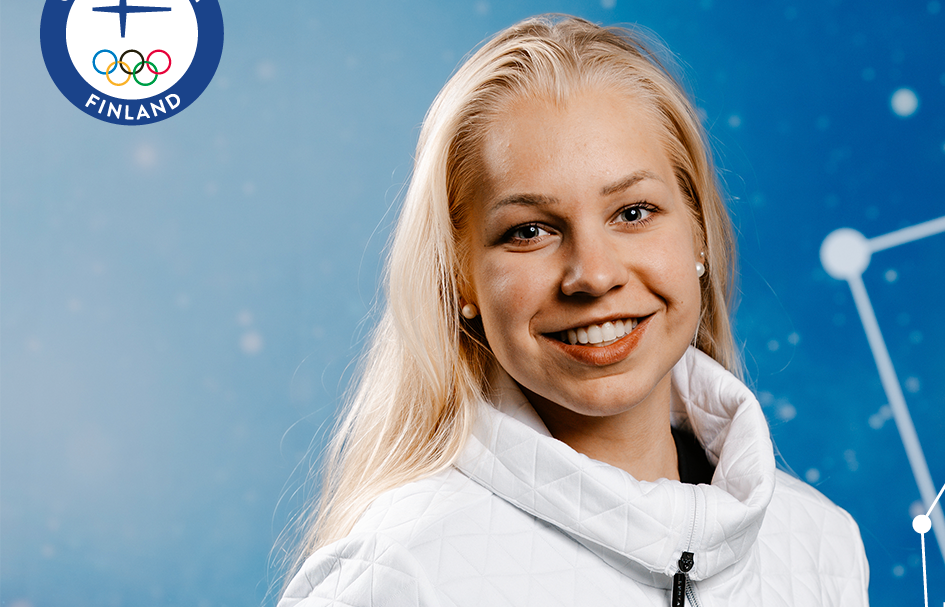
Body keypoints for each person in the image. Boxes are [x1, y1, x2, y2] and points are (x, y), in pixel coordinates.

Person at [278, 14, 869, 606]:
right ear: (459, 276)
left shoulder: (820, 544)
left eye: (633, 213)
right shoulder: (401, 574)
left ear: (698, 235)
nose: (594, 274)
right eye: (529, 230)